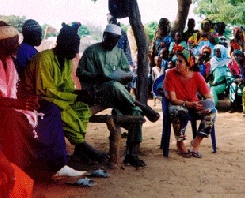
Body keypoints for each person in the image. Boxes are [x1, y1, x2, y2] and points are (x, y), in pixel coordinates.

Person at [1, 22, 86, 181]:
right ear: (4, 43)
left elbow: (16, 89)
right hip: (6, 109)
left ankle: (57, 164)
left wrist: (25, 99)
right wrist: (17, 104)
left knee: (51, 109)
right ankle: (24, 169)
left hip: (14, 104)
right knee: (13, 118)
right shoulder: (43, 59)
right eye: (14, 42)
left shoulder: (9, 63)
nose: (18, 46)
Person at [77, 24, 160, 168]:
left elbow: (126, 71)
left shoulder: (119, 52)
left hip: (117, 93)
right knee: (113, 85)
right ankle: (141, 104)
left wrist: (126, 77)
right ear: (104, 36)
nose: (111, 43)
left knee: (135, 113)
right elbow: (81, 73)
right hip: (98, 91)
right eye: (109, 40)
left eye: (115, 41)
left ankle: (131, 154)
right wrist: (99, 76)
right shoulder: (92, 51)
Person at [23, 23, 108, 165]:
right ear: (62, 45)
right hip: (36, 99)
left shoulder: (67, 61)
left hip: (56, 97)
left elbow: (67, 87)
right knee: (62, 112)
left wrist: (81, 94)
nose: (75, 51)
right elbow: (45, 90)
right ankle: (82, 146)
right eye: (73, 47)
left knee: (82, 107)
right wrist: (76, 95)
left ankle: (79, 150)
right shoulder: (44, 59)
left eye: (77, 46)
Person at [163, 49, 217, 158]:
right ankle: (180, 143)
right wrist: (190, 104)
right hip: (178, 104)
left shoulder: (197, 76)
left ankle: (196, 143)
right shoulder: (170, 74)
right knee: (178, 111)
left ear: (188, 65)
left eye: (180, 61)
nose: (176, 63)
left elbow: (209, 96)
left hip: (193, 105)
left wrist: (208, 105)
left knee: (212, 113)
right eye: (177, 60)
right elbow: (173, 99)